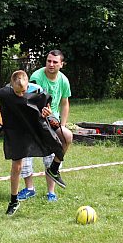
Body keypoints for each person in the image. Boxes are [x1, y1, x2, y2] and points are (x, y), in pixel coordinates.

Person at [0, 70, 66, 216]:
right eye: (17, 92)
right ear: (11, 85)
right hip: (16, 133)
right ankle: (14, 201)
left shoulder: (37, 92)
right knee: (16, 166)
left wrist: (47, 110)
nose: (20, 94)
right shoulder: (5, 93)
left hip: (35, 128)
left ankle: (54, 170)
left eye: (23, 91)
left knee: (57, 145)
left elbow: (47, 103)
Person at [18, 49, 73, 202]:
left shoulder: (63, 80)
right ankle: (29, 189)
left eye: (55, 62)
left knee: (67, 136)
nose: (51, 64)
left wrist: (62, 124)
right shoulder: (36, 77)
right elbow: (29, 101)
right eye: (49, 61)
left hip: (51, 120)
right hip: (32, 120)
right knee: (27, 155)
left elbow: (65, 103)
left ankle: (51, 189)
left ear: (61, 64)